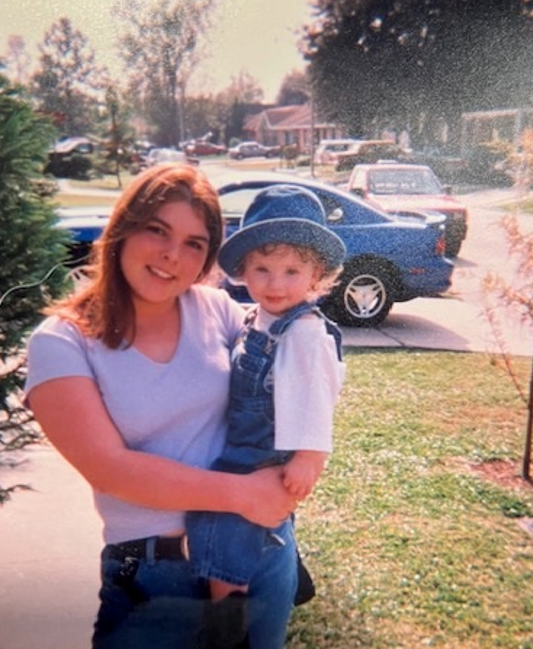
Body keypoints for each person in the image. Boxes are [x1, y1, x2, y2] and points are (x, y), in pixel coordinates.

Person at [23, 164, 302, 649]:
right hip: (152, 579)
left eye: (194, 243)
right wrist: (244, 494)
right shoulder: (62, 343)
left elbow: (290, 361)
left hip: (256, 554)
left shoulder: (215, 309)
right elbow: (112, 469)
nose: (173, 255)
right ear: (124, 228)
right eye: (158, 230)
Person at [185, 184, 348, 649]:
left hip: (261, 458)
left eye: (292, 271)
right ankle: (271, 578)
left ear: (316, 275)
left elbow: (318, 397)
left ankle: (227, 618)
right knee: (220, 525)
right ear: (244, 271)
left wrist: (309, 458)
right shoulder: (258, 318)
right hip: (241, 451)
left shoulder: (305, 333)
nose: (276, 284)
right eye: (263, 269)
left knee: (226, 530)